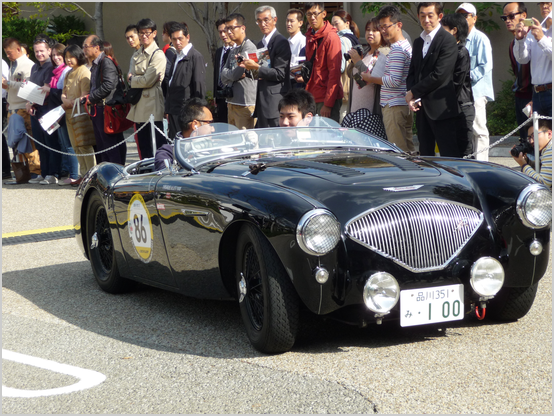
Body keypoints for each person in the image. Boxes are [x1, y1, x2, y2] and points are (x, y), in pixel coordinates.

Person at [406, 2, 461, 158]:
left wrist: (413, 92)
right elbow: (413, 72)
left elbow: (440, 74)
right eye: (422, 16)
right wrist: (413, 97)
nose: (426, 20)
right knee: (425, 155)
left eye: (430, 15)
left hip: (441, 109)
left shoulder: (447, 40)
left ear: (440, 17)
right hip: (421, 108)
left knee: (449, 155)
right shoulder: (418, 42)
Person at [364, 6, 415, 153]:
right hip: (401, 103)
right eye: (381, 27)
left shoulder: (398, 49)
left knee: (399, 151)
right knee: (408, 149)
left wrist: (370, 78)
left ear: (398, 25)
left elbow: (393, 81)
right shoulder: (405, 46)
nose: (383, 30)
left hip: (394, 105)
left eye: (386, 26)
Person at [239, 6, 291, 128]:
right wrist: (246, 68)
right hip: (262, 99)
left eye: (266, 20)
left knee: (276, 139)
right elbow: (260, 72)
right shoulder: (261, 43)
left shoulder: (281, 41)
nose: (263, 24)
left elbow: (280, 73)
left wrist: (256, 67)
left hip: (275, 101)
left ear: (275, 20)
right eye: (259, 21)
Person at [456, 3, 494, 162]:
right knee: (466, 129)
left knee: (479, 130)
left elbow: (486, 66)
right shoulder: (458, 38)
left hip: (477, 92)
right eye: (460, 15)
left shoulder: (481, 38)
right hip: (462, 93)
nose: (463, 19)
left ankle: (482, 166)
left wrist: (464, 77)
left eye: (466, 15)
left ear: (474, 18)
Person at [39, 42, 79, 185]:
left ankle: (73, 174)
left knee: (68, 145)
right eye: (54, 55)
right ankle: (66, 172)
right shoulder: (55, 72)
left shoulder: (66, 71)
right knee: (61, 144)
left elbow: (64, 93)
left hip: (63, 111)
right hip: (56, 112)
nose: (56, 58)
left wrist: (51, 90)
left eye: (59, 55)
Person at [127, 18, 168, 160]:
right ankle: (145, 173)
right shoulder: (136, 54)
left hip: (152, 104)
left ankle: (159, 171)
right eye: (141, 33)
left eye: (147, 33)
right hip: (138, 104)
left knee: (156, 144)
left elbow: (148, 80)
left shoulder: (158, 54)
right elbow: (132, 75)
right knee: (143, 145)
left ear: (154, 33)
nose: (144, 36)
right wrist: (138, 79)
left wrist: (134, 79)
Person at [84, 35, 127, 166]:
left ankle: (116, 174)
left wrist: (91, 97)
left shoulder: (105, 61)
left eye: (86, 47)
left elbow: (109, 85)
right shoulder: (97, 63)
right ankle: (107, 175)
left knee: (110, 145)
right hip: (99, 109)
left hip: (106, 108)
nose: (83, 50)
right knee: (103, 145)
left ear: (96, 47)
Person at [2, 37, 41, 176]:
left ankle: (35, 170)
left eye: (9, 52)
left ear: (18, 49)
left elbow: (29, 86)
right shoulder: (13, 64)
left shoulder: (28, 65)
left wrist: (9, 84)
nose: (7, 55)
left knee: (29, 140)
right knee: (17, 143)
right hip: (13, 107)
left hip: (23, 108)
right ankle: (23, 172)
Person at [301, 2, 343, 122]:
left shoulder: (331, 37)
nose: (312, 18)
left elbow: (334, 73)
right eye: (309, 14)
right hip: (312, 95)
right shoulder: (310, 35)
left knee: (328, 137)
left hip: (326, 98)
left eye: (315, 13)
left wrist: (328, 104)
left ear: (324, 14)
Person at [61, 45, 96, 185]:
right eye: (66, 57)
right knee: (75, 145)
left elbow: (84, 95)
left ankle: (91, 174)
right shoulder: (69, 73)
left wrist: (68, 102)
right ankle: (83, 174)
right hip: (69, 113)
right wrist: (65, 100)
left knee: (84, 145)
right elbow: (63, 92)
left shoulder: (84, 72)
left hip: (81, 113)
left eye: (71, 57)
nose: (68, 60)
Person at [26, 37, 60, 184]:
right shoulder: (34, 67)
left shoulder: (50, 66)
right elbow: (31, 88)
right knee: (40, 142)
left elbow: (45, 90)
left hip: (47, 108)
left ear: (49, 50)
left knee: (50, 141)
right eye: (36, 51)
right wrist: (28, 103)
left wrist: (31, 101)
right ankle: (43, 172)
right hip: (35, 109)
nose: (39, 54)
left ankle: (53, 173)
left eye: (42, 51)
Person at [164, 21, 206, 139]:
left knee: (186, 145)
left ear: (188, 37)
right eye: (174, 39)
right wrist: (168, 109)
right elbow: (171, 82)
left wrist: (197, 114)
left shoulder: (195, 56)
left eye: (180, 38)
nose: (177, 42)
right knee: (175, 143)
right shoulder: (176, 56)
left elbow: (199, 86)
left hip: (186, 112)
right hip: (173, 110)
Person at [441, 14, 475, 158]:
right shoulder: (445, 51)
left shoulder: (461, 51)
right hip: (449, 108)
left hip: (462, 107)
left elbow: (456, 82)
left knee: (465, 153)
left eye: (443, 28)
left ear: (454, 30)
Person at [514, 2, 552, 117]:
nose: (544, 6)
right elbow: (522, 59)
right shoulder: (534, 30)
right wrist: (520, 39)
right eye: (541, 3)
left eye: (549, 3)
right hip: (537, 93)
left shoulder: (537, 32)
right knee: (538, 133)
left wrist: (541, 38)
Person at [220, 13, 258, 130]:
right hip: (232, 102)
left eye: (232, 28)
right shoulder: (234, 49)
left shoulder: (249, 47)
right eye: (227, 28)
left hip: (245, 104)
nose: (229, 32)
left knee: (245, 142)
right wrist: (231, 74)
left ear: (242, 28)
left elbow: (237, 73)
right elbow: (222, 74)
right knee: (233, 142)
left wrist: (230, 74)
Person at [154, 97, 214, 171]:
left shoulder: (216, 147)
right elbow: (166, 177)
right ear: (195, 125)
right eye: (209, 123)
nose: (213, 129)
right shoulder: (168, 153)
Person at [502, 2, 533, 142]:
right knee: (524, 139)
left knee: (537, 139)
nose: (508, 21)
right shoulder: (512, 43)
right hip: (520, 95)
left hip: (535, 96)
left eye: (511, 16)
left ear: (524, 15)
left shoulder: (534, 38)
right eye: (504, 18)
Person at [346, 18, 388, 114]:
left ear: (382, 32)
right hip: (355, 106)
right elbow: (353, 76)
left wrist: (358, 62)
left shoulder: (384, 54)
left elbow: (372, 79)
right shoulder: (364, 53)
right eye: (368, 30)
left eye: (374, 30)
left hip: (371, 110)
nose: (370, 33)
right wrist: (354, 61)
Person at [331, 10, 360, 122]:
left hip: (343, 85)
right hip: (352, 84)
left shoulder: (341, 40)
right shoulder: (354, 38)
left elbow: (341, 67)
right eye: (332, 24)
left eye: (336, 23)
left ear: (347, 23)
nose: (334, 27)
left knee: (342, 118)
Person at [511, 119, 552, 188]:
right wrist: (527, 161)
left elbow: (543, 184)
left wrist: (523, 165)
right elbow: (544, 168)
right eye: (529, 137)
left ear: (549, 134)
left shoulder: (550, 150)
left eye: (534, 135)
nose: (531, 141)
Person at [213, 18, 235, 123]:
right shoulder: (218, 51)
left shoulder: (235, 50)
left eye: (225, 31)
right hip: (221, 94)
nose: (223, 34)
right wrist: (215, 95)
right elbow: (216, 73)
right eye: (220, 32)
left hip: (232, 94)